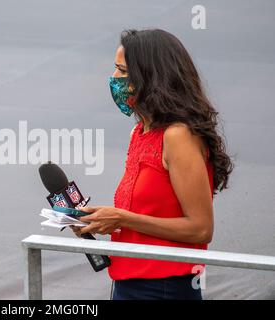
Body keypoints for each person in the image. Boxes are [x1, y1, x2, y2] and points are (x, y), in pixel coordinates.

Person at [71, 29, 233, 300]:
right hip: (126, 282)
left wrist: (122, 217)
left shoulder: (178, 135)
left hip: (165, 288)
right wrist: (102, 221)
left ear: (150, 76)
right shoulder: (140, 132)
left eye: (122, 71)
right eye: (115, 69)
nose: (114, 79)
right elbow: (148, 217)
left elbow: (201, 228)